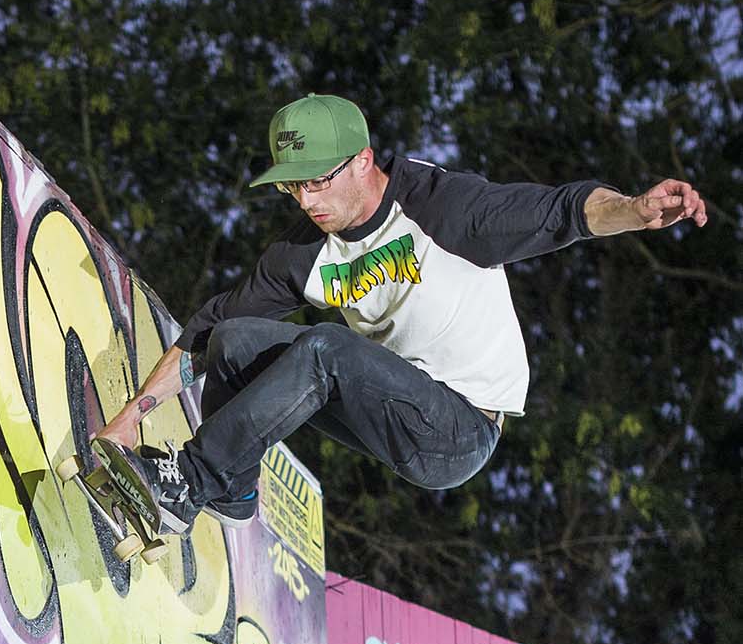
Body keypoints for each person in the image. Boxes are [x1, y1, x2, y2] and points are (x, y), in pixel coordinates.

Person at [86, 92, 707, 540]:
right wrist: (125, 422)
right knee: (234, 338)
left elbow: (559, 212)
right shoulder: (301, 255)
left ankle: (188, 484)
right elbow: (202, 340)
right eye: (292, 188)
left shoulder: (442, 207)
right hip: (383, 402)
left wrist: (632, 210)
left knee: (324, 347)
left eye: (318, 182)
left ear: (362, 160)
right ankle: (232, 488)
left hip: (460, 429)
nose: (308, 202)